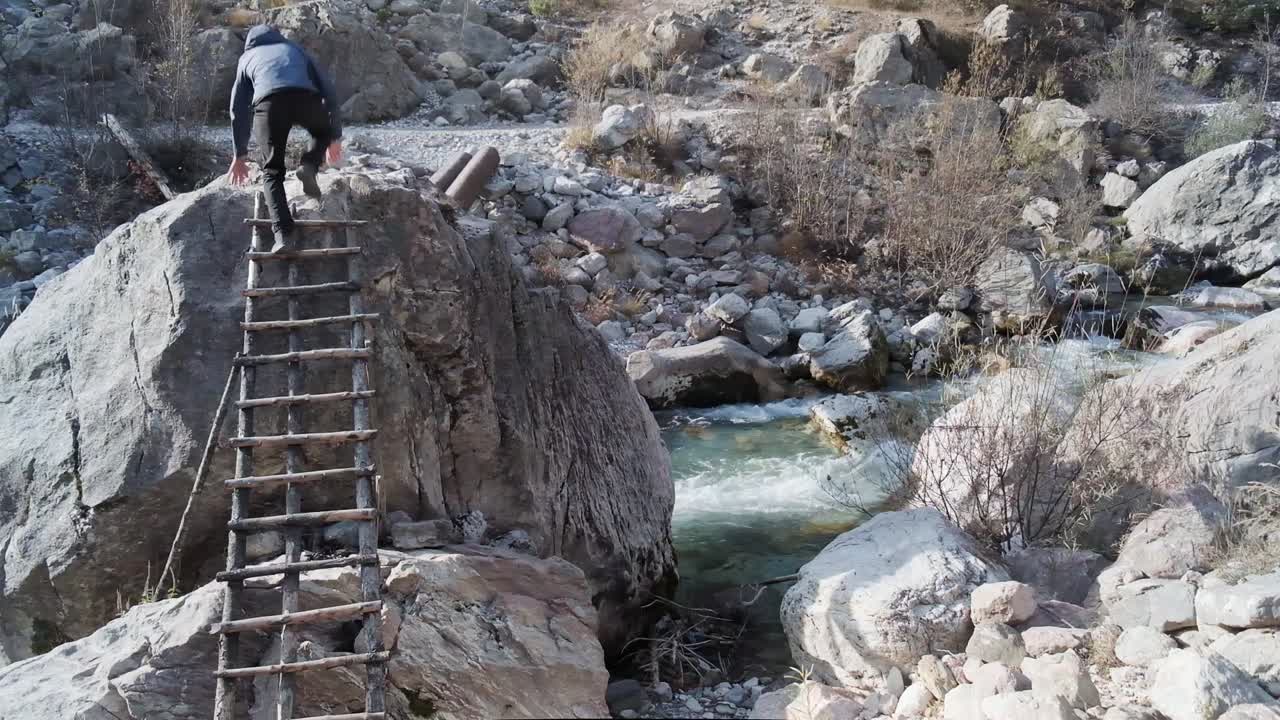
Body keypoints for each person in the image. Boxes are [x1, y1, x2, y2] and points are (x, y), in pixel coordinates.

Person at [227, 24, 344, 253]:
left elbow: (237, 109)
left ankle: (283, 237)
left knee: (272, 171)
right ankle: (309, 165)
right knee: (321, 132)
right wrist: (335, 136)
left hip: (269, 106)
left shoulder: (247, 58)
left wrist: (239, 154)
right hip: (306, 98)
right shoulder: (295, 50)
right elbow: (328, 89)